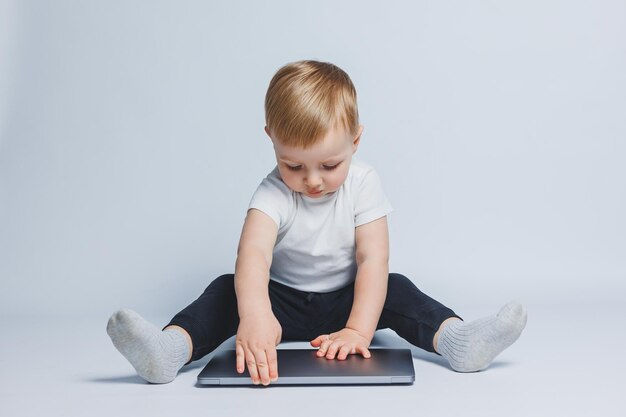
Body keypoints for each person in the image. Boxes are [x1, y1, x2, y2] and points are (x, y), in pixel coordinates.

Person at [106, 60, 527, 385]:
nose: (311, 181)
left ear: (355, 141)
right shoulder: (272, 192)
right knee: (223, 290)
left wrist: (359, 331)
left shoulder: (364, 182)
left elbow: (372, 259)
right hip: (279, 306)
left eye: (329, 164)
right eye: (293, 165)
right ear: (271, 139)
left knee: (397, 286)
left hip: (348, 300)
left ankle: (459, 343)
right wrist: (254, 314)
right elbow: (251, 253)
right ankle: (169, 351)